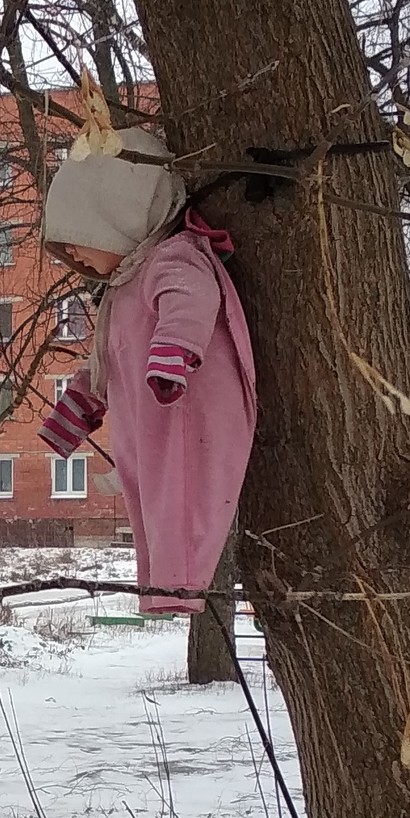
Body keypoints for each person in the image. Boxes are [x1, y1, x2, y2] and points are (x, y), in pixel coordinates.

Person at [38, 127, 256, 614]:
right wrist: (80, 405)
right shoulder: (121, 290)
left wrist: (174, 349)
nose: (73, 255)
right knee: (147, 503)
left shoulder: (173, 257)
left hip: (186, 407)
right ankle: (160, 584)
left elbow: (192, 299)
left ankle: (179, 585)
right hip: (147, 423)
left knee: (181, 494)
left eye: (78, 239)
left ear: (120, 217)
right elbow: (105, 361)